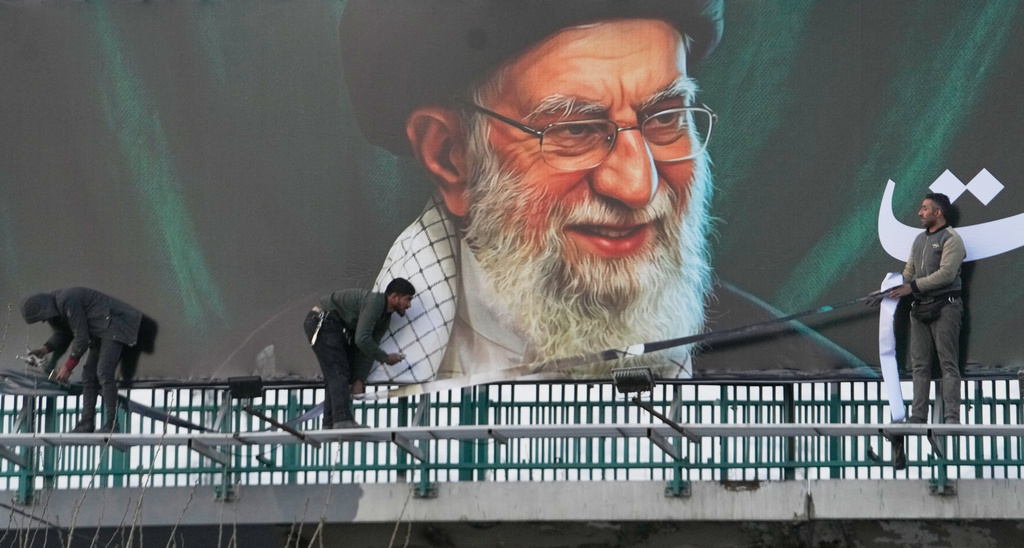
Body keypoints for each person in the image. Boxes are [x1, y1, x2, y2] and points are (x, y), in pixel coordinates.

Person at [340, 0, 865, 384]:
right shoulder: (300, 382)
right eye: (574, 130)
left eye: (664, 118)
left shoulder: (817, 389)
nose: (638, 184)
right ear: (451, 157)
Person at [883, 192, 965, 469]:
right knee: (920, 367)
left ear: (938, 213)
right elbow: (908, 272)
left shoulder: (952, 240)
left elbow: (946, 275)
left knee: (948, 365)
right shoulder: (919, 240)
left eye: (925, 208)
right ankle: (918, 417)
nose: (920, 213)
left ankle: (951, 418)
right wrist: (888, 289)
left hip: (946, 307)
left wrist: (912, 287)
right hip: (919, 310)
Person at [21, 287, 146, 433]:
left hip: (114, 325)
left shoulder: (67, 300)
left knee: (104, 372)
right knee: (88, 375)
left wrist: (68, 366)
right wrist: (43, 350)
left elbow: (81, 337)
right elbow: (64, 333)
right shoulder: (58, 306)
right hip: (101, 330)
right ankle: (86, 423)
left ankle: (112, 425)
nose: (43, 321)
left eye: (41, 317)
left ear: (43, 308)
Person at [303, 278, 415, 428]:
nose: (409, 305)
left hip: (331, 326)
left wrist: (359, 379)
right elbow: (362, 339)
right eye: (407, 299)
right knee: (338, 372)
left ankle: (330, 422)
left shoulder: (384, 318)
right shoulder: (375, 303)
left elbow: (368, 347)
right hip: (323, 322)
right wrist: (386, 358)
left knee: (337, 374)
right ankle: (342, 420)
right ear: (394, 297)